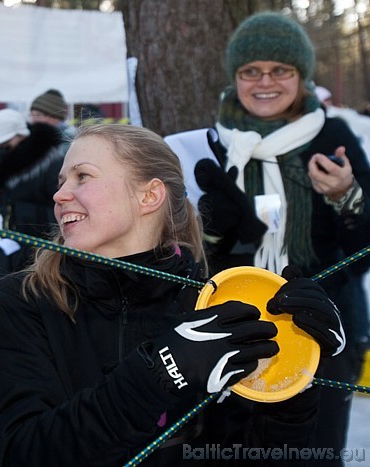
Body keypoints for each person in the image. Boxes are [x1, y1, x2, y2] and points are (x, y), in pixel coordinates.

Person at [0, 124, 346, 466]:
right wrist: (161, 372)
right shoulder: (24, 299)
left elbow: (254, 452)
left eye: (83, 176)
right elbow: (22, 450)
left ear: (149, 195)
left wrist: (292, 384)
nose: (59, 195)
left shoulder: (207, 303)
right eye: (62, 181)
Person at [164, 12, 370, 464]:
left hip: (320, 326)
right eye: (250, 71)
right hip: (232, 323)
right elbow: (190, 254)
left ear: (301, 76)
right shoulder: (212, 143)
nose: (265, 82)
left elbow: (362, 255)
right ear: (235, 77)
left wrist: (346, 196)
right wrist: (213, 226)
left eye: (281, 70)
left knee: (311, 453)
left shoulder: (333, 137)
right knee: (226, 450)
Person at [0, 108, 68, 286]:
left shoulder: (51, 160)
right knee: (0, 299)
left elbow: (59, 205)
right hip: (11, 245)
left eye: (6, 143)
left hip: (44, 248)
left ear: (21, 134)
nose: (2, 149)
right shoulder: (4, 163)